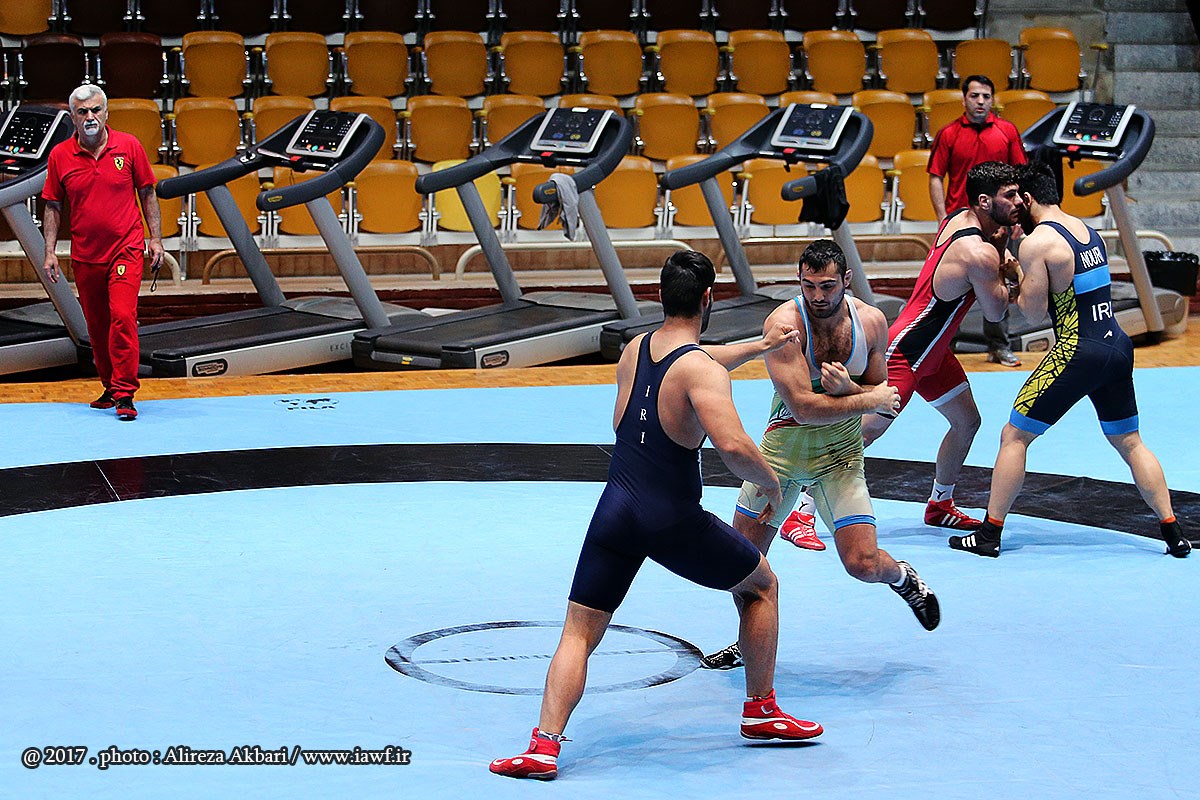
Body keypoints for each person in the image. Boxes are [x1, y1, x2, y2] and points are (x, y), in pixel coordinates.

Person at [489, 251, 822, 781]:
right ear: (709, 299)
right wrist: (771, 482)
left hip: (615, 510)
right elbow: (733, 445)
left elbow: (652, 395)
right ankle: (761, 710)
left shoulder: (634, 349)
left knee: (579, 632)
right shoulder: (702, 370)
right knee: (761, 586)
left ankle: (543, 746)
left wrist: (760, 347)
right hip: (670, 519)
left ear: (660, 296)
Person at [699, 240, 940, 672]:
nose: (817, 296)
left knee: (863, 564)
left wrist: (852, 391)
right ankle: (747, 640)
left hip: (840, 457)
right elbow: (804, 408)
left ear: (846, 280)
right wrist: (862, 398)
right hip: (780, 458)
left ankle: (902, 577)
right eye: (808, 286)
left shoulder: (871, 322)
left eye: (827, 286)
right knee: (742, 565)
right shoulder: (784, 324)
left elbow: (883, 394)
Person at [949, 162, 1192, 559]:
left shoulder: (1037, 243)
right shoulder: (1085, 229)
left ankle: (989, 535)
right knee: (1131, 441)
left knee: (1014, 437)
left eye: (1018, 198)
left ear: (1029, 198)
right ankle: (1173, 532)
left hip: (1078, 351)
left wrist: (1013, 275)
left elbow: (1031, 312)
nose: (1015, 206)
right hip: (1117, 345)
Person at [42, 84, 162, 421]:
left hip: (125, 248)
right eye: (83, 112)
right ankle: (110, 387)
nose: (90, 117)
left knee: (122, 316)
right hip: (85, 254)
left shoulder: (129, 146)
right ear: (73, 117)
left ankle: (125, 392)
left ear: (106, 113)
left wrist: (155, 239)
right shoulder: (60, 156)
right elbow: (52, 205)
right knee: (97, 327)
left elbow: (148, 193)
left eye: (96, 110)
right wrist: (49, 251)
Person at [928, 74, 1027, 369]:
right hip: (960, 225)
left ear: (993, 99)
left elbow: (1020, 176)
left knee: (998, 280)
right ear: (964, 99)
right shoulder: (948, 134)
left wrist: (1019, 215)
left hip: (997, 223)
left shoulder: (1007, 131)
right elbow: (935, 176)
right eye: (974, 96)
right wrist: (942, 218)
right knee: (952, 285)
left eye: (986, 96)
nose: (981, 101)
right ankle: (944, 348)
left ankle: (999, 346)